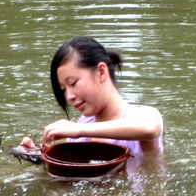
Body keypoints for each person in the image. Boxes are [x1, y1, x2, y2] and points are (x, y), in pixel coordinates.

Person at [22, 36, 163, 157]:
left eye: (73, 83)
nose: (69, 96)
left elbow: (150, 128)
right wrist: (43, 155)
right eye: (64, 89)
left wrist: (77, 130)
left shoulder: (142, 116)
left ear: (101, 72)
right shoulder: (82, 126)